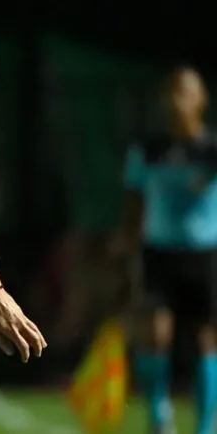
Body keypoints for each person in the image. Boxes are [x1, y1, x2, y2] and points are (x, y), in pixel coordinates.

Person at [120, 67, 217, 434]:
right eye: (171, 91)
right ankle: (159, 412)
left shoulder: (211, 149)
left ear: (201, 99)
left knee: (206, 338)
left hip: (205, 256)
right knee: (156, 332)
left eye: (186, 91)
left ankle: (206, 425)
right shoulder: (148, 150)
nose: (177, 100)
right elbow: (133, 200)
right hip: (159, 254)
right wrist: (126, 243)